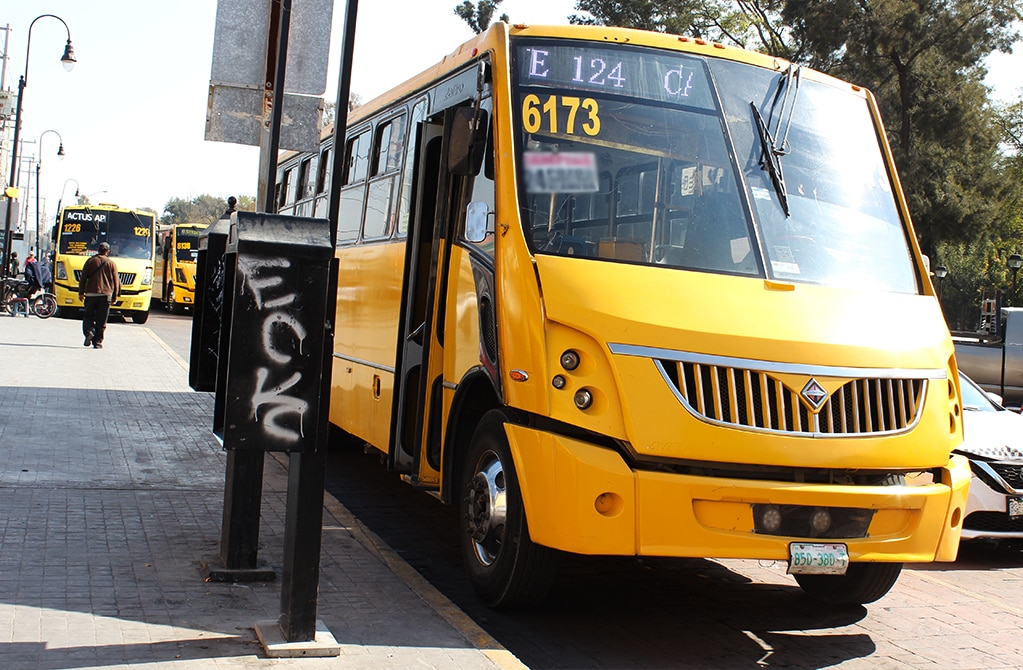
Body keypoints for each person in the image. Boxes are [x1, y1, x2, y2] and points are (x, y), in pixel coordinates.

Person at [78, 242, 120, 349]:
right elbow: (116, 282)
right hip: (106, 295)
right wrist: (115, 296)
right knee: (101, 320)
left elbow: (83, 279)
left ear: (98, 250)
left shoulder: (90, 261)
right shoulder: (111, 263)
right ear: (108, 251)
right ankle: (98, 342)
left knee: (88, 316)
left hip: (91, 294)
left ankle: (89, 332)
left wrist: (81, 292)